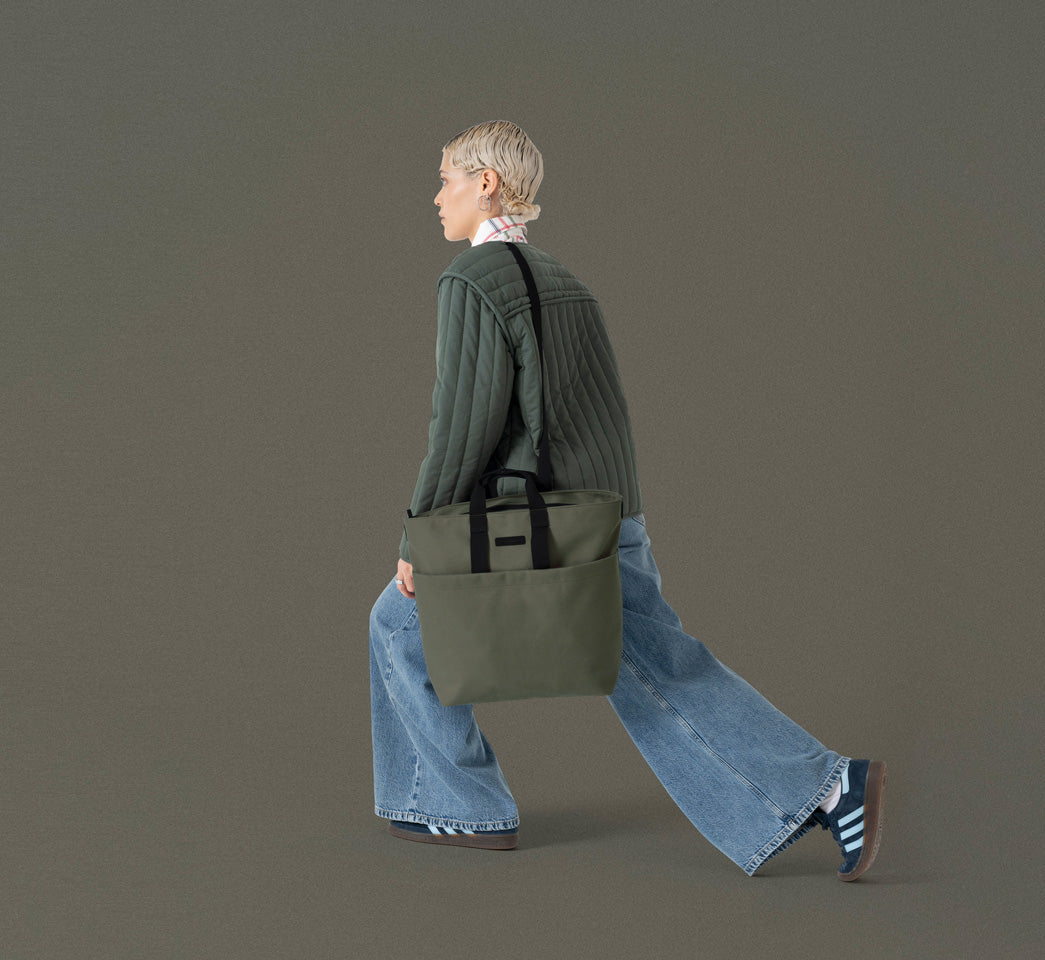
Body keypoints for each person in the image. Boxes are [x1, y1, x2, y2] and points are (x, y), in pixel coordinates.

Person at [369, 121, 886, 880]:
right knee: (658, 666)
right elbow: (598, 411)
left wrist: (418, 536)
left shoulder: (473, 280)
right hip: (605, 514)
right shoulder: (565, 279)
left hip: (539, 529)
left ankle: (463, 806)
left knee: (399, 623)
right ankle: (829, 787)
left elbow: (462, 425)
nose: (436, 195)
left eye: (446, 178)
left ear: (486, 183)